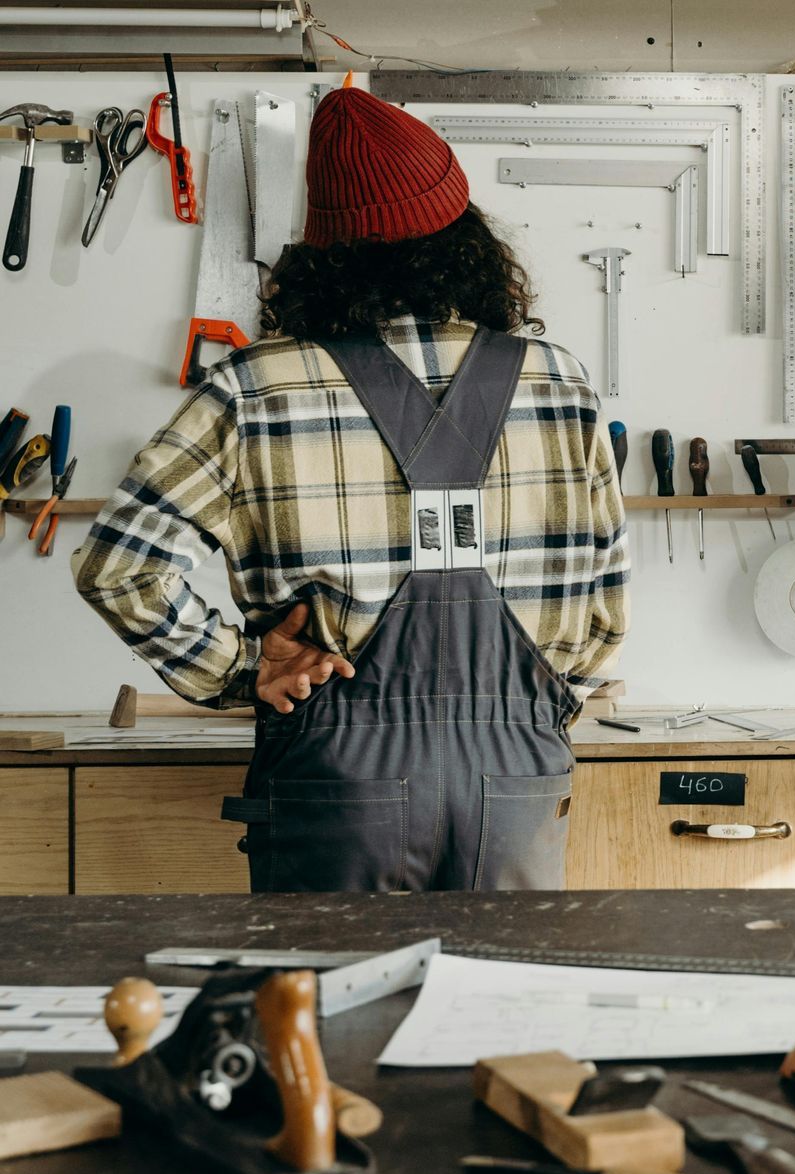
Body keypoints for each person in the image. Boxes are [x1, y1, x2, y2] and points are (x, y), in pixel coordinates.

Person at [73, 88, 629, 892]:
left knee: (325, 1008)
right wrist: (531, 705)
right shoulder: (559, 383)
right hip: (517, 778)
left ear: (323, 257)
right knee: (500, 1007)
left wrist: (241, 674)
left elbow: (117, 567)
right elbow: (604, 611)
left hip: (337, 779)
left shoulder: (256, 387)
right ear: (466, 239)